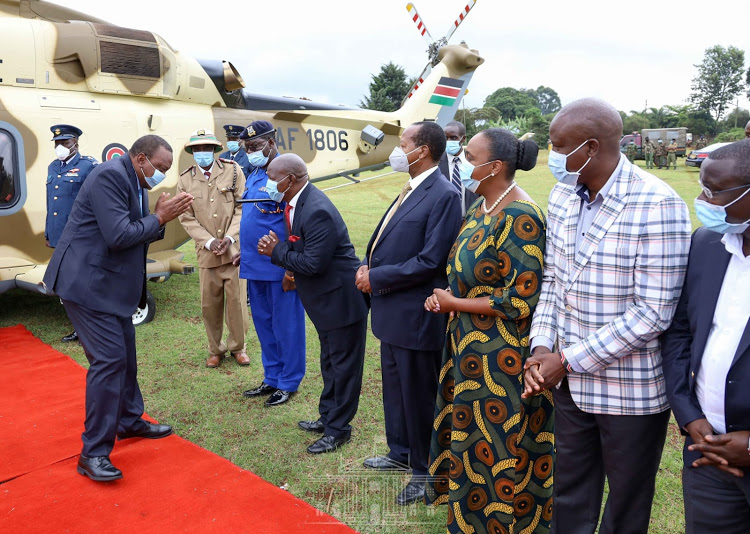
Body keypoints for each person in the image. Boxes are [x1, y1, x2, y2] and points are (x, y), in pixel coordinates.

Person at [522, 98, 691, 534]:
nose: (552, 156)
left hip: (629, 390)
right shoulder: (562, 195)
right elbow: (554, 280)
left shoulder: (658, 204)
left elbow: (653, 313)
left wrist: (568, 359)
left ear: (591, 147)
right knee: (570, 490)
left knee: (626, 503)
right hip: (569, 384)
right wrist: (542, 346)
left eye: (558, 146)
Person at [42, 135, 194, 482]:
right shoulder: (110, 175)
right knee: (109, 361)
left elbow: (131, 233)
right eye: (160, 168)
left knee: (125, 354)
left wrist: (159, 219)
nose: (162, 175)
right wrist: (159, 217)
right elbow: (119, 235)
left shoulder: (133, 177)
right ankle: (92, 453)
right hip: (87, 284)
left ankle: (127, 420)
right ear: (141, 158)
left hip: (109, 285)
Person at [424, 129, 553, 533]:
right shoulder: (482, 206)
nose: (461, 159)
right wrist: (449, 297)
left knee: (497, 446)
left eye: (468, 154)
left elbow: (519, 299)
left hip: (500, 359)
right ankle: (467, 520)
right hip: (467, 346)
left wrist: (453, 303)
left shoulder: (522, 217)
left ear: (494, 166)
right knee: (468, 438)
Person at [355, 121, 462, 505]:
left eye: (403, 145)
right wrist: (367, 267)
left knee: (418, 395)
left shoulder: (444, 195)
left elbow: (431, 260)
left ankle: (425, 472)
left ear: (423, 151)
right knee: (396, 391)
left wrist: (377, 276)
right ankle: (399, 451)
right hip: (391, 312)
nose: (397, 151)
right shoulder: (412, 187)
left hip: (416, 313)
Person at [662, 139, 750, 533]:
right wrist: (689, 415)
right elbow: (682, 331)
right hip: (706, 454)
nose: (703, 199)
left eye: (714, 191)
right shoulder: (706, 243)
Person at [256, 153, 368, 454]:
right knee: (330, 363)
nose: (266, 182)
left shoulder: (316, 209)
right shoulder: (297, 202)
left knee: (343, 368)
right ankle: (328, 417)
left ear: (289, 180)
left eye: (271, 176)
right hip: (326, 301)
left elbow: (313, 263)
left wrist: (276, 252)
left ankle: (338, 430)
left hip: (341, 301)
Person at [238, 121, 306, 406]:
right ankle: (272, 377)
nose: (250, 151)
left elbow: (296, 221)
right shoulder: (254, 173)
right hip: (254, 264)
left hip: (279, 265)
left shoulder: (285, 174)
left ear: (270, 141)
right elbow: (254, 215)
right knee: (264, 324)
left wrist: (292, 268)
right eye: (247, 147)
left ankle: (289, 382)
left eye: (255, 146)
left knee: (286, 325)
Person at [177, 129, 249, 368]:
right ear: (192, 152)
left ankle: (238, 347)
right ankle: (215, 349)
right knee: (210, 304)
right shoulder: (185, 179)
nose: (202, 153)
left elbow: (242, 207)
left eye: (207, 149)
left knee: (237, 303)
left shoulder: (234, 171)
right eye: (197, 149)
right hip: (207, 253)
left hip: (233, 252)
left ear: (215, 150)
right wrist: (208, 241)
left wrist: (229, 238)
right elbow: (186, 217)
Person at [46, 124, 98, 343]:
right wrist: (50, 231)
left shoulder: (89, 166)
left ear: (76, 143)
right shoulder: (52, 167)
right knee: (67, 282)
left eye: (65, 143)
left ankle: (88, 327)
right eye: (57, 143)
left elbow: (98, 201)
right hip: (60, 235)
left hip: (80, 236)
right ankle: (79, 325)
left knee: (82, 282)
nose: (61, 147)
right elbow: (52, 202)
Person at [438, 120, 478, 216]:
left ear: (463, 138)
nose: (449, 141)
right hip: (444, 220)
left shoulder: (475, 162)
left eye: (453, 138)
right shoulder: (435, 163)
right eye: (446, 138)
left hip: (470, 220)